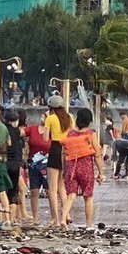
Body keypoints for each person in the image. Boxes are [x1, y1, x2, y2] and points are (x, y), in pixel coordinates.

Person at [62, 108, 101, 229]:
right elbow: (97, 155)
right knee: (88, 197)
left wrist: (64, 170)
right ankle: (89, 224)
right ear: (89, 120)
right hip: (86, 169)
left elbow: (64, 153)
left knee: (71, 195)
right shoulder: (91, 134)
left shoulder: (70, 134)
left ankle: (63, 219)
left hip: (71, 168)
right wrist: (101, 172)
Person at [42, 95, 72, 227]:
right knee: (62, 186)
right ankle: (66, 216)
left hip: (55, 149)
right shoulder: (70, 118)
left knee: (53, 188)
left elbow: (44, 138)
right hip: (67, 150)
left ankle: (55, 219)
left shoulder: (51, 118)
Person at [22, 113, 51, 225]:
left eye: (46, 116)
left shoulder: (52, 133)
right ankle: (35, 218)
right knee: (34, 191)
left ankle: (54, 217)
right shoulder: (33, 129)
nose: (43, 118)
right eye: (43, 115)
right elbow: (22, 132)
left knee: (49, 191)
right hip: (33, 163)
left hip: (47, 164)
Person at [3, 106, 28, 226]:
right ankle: (12, 219)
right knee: (13, 191)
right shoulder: (17, 131)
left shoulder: (3, 130)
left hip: (4, 163)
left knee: (2, 191)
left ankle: (4, 218)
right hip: (15, 165)